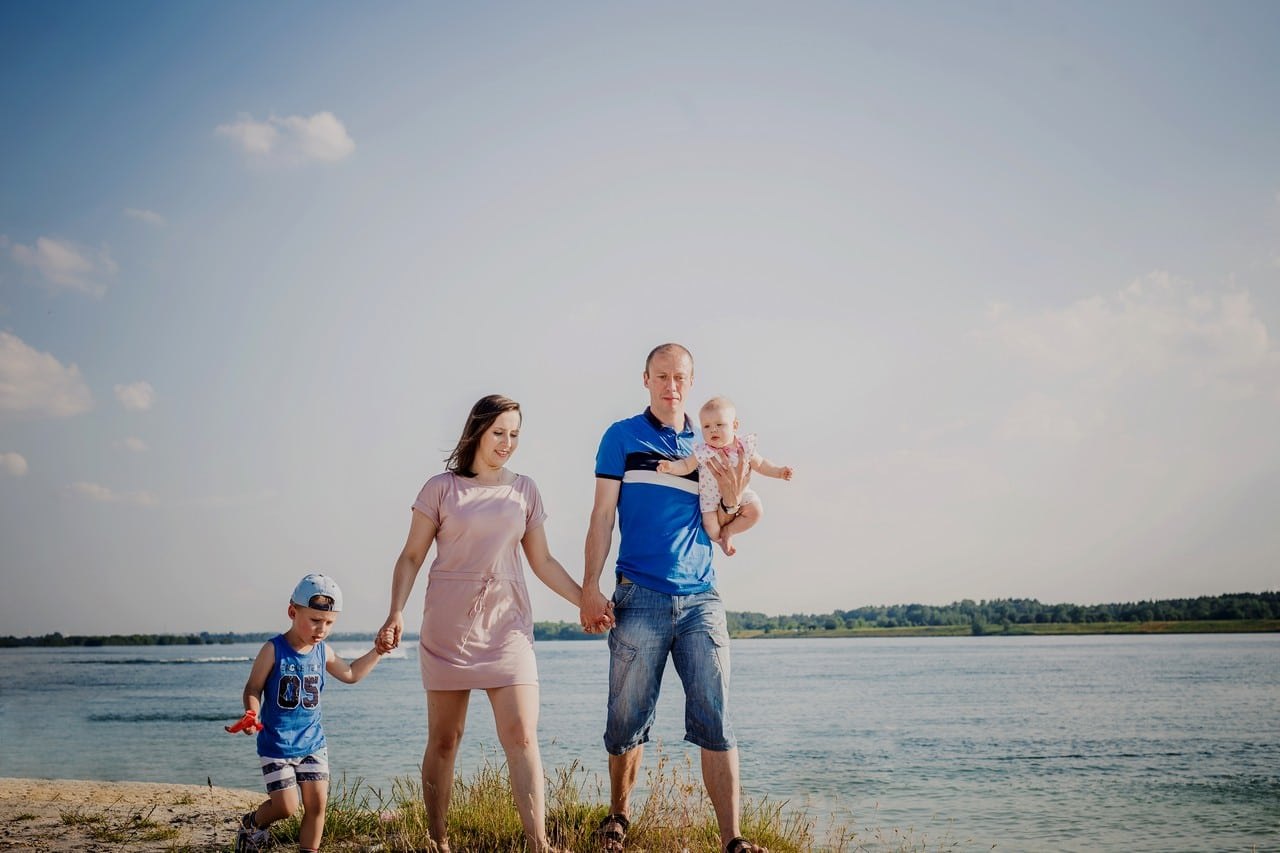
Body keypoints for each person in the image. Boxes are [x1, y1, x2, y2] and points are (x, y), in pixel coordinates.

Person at [375, 394, 609, 853]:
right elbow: (411, 556)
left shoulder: (525, 490)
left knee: (522, 735)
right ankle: (437, 840)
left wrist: (586, 600)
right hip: (448, 629)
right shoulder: (440, 488)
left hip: (508, 628)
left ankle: (538, 843)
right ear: (478, 431)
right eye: (499, 432)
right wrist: (396, 610)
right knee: (445, 740)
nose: (507, 442)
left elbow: (542, 561)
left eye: (515, 434)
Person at [580, 344, 770, 853]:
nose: (671, 386)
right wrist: (589, 586)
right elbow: (602, 515)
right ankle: (618, 817)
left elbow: (722, 522)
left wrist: (732, 498)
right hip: (637, 594)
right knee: (626, 718)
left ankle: (733, 839)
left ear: (691, 380)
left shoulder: (710, 441)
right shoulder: (621, 437)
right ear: (646, 379)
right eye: (661, 376)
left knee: (717, 716)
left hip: (701, 599)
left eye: (680, 377)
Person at [226, 573, 387, 853]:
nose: (321, 629)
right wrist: (251, 713)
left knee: (317, 806)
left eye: (329, 623)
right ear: (292, 612)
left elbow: (351, 674)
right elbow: (253, 688)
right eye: (315, 620)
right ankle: (252, 824)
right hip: (277, 745)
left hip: (313, 743)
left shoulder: (323, 652)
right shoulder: (273, 650)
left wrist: (378, 651)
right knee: (286, 807)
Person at [657, 395, 793, 556]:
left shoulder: (744, 446)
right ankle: (722, 540)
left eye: (719, 424)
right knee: (712, 531)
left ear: (734, 425)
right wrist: (671, 467)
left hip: (741, 492)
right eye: (706, 426)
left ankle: (730, 531)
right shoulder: (704, 450)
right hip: (710, 498)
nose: (713, 430)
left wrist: (778, 472)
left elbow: (761, 464)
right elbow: (686, 465)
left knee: (756, 511)